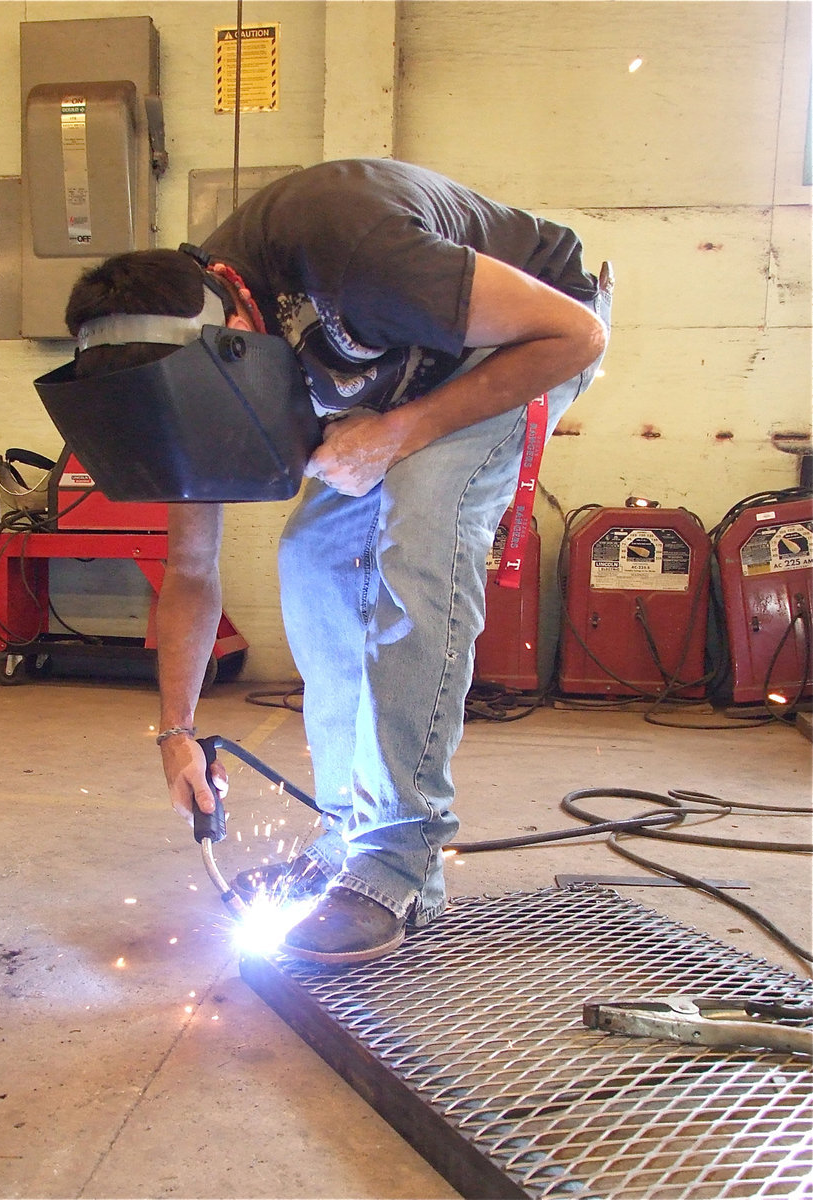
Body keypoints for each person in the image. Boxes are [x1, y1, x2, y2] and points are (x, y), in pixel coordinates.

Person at [62, 158, 611, 967]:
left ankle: (396, 867)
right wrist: (175, 732)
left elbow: (575, 334)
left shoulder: (357, 254)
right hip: (403, 368)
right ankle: (343, 839)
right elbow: (189, 568)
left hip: (528, 338)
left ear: (233, 335)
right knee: (312, 558)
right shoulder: (185, 360)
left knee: (417, 535)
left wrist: (398, 432)